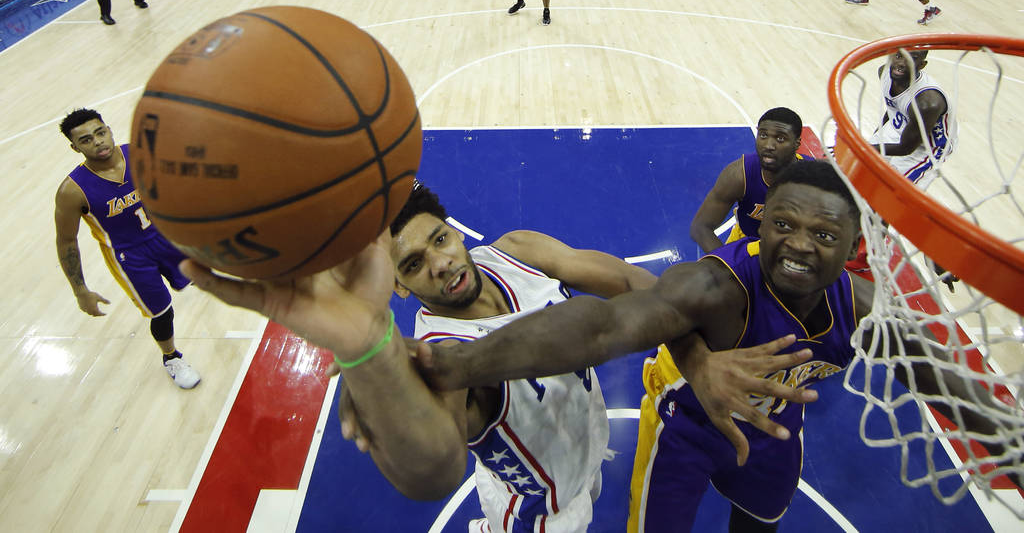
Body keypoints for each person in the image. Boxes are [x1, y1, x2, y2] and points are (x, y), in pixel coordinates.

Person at [406, 160, 1016, 533]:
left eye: (824, 234)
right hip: (681, 435)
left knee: (759, 523)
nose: (799, 246)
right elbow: (601, 326)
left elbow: (939, 376)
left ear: (856, 242)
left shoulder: (859, 303)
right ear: (761, 223)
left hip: (774, 435)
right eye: (783, 225)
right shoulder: (715, 286)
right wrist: (456, 361)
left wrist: (1010, 444)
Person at [181, 183, 815, 530]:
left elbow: (628, 283)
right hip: (540, 511)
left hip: (582, 444)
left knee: (588, 472)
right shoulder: (436, 354)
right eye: (414, 264)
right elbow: (433, 466)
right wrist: (367, 354)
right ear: (398, 286)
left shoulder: (516, 250)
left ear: (456, 229)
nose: (443, 262)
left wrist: (699, 360)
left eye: (441, 239)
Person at [55, 109, 200, 389]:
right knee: (162, 311)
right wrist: (80, 290)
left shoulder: (140, 153)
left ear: (109, 129)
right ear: (75, 148)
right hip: (129, 256)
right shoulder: (72, 191)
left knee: (202, 274)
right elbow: (66, 241)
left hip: (165, 235)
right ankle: (171, 358)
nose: (97, 142)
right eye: (86, 140)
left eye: (100, 132)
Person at [689, 107, 803, 254]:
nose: (768, 145)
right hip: (746, 243)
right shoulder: (739, 175)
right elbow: (700, 227)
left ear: (797, 143)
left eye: (780, 138)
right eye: (763, 135)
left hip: (790, 249)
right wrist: (729, 266)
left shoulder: (814, 180)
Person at [869, 49, 957, 189]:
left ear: (922, 65)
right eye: (898, 56)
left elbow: (906, 148)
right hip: (901, 127)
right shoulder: (884, 72)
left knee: (893, 190)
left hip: (926, 148)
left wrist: (866, 148)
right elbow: (893, 107)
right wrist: (877, 134)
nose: (901, 63)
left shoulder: (927, 102)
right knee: (862, 167)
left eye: (911, 59)